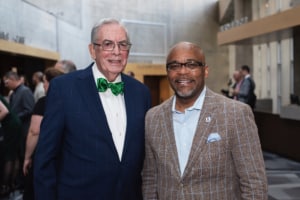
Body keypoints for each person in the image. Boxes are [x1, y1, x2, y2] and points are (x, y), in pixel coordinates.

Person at [34, 18, 152, 200]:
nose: (117, 52)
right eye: (107, 44)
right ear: (92, 50)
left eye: (123, 44)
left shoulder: (141, 93)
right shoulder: (64, 89)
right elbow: (45, 160)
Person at [142, 42, 268, 199]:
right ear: (168, 72)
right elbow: (150, 180)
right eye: (174, 66)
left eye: (191, 65)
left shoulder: (235, 114)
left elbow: (254, 184)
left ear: (205, 71)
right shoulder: (153, 118)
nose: (182, 71)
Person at [22, 68, 64, 200]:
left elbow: (35, 132)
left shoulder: (44, 102)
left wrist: (27, 157)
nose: (43, 85)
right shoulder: (72, 100)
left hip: (47, 154)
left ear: (52, 83)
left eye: (45, 82)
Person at [0, 96, 22, 198]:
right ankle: (12, 184)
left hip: (10, 126)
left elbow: (4, 111)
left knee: (9, 156)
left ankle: (5, 187)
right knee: (14, 155)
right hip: (15, 123)